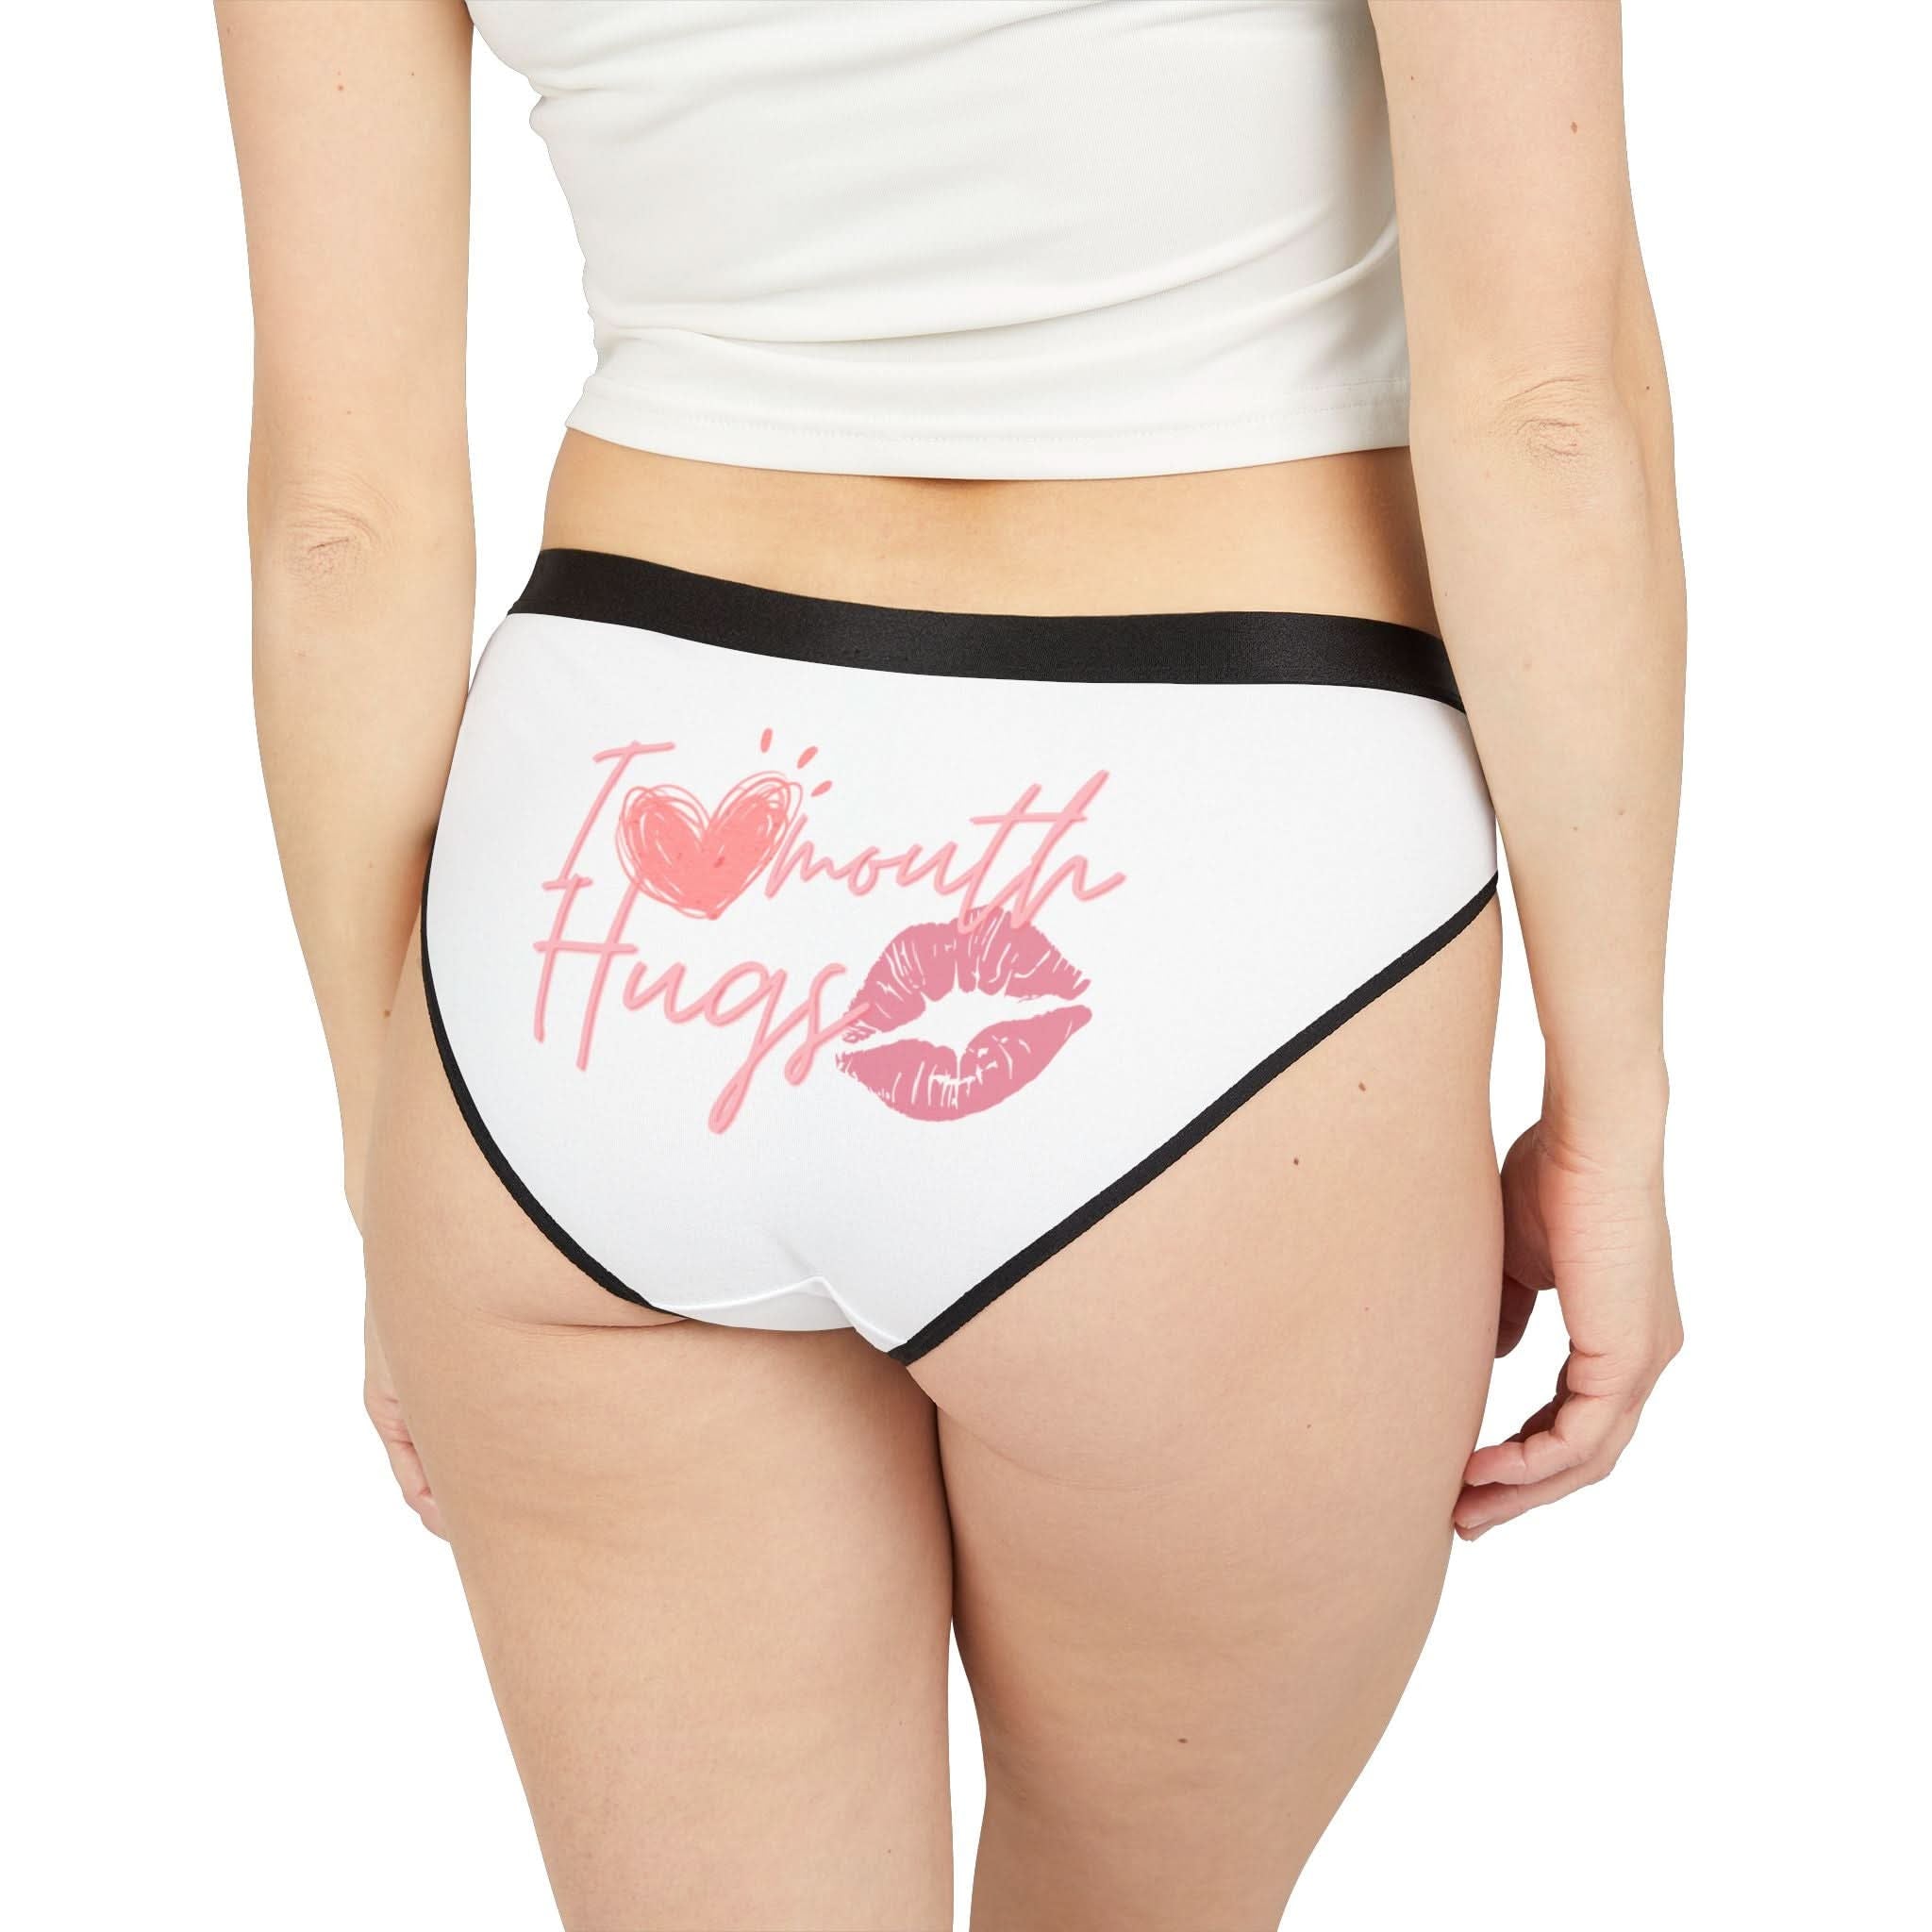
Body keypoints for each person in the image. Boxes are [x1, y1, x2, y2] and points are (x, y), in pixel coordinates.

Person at [217, 3, 1684, 1926]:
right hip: (1222, 882)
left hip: (598, 916)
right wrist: (1610, 1107)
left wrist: (396, 1149)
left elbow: (342, 522)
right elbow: (1546, 412)